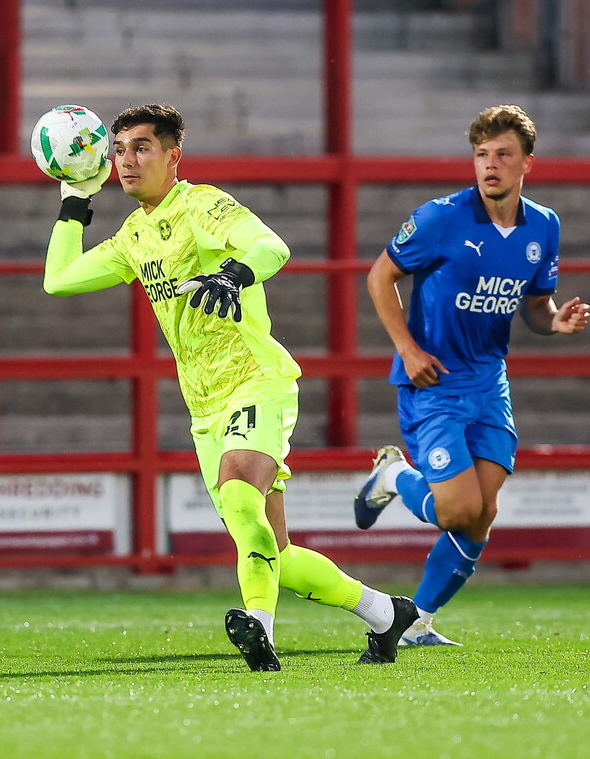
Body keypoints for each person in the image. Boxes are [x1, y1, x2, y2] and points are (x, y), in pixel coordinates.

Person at [42, 103, 417, 670]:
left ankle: (259, 630)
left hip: (255, 380)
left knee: (240, 490)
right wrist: (75, 201)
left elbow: (272, 247)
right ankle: (388, 616)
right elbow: (58, 281)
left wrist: (233, 273)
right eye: (118, 150)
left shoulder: (201, 204)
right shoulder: (133, 235)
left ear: (173, 156)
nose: (126, 161)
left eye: (142, 148)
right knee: (273, 550)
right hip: (204, 405)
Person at [355, 104, 589, 646]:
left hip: (489, 385)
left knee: (481, 516)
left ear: (527, 163)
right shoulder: (441, 218)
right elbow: (380, 275)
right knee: (458, 508)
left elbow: (535, 304)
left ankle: (418, 622)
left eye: (503, 155)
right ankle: (392, 477)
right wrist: (407, 349)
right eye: (482, 154)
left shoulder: (544, 226)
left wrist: (555, 321)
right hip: (433, 381)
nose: (490, 165)